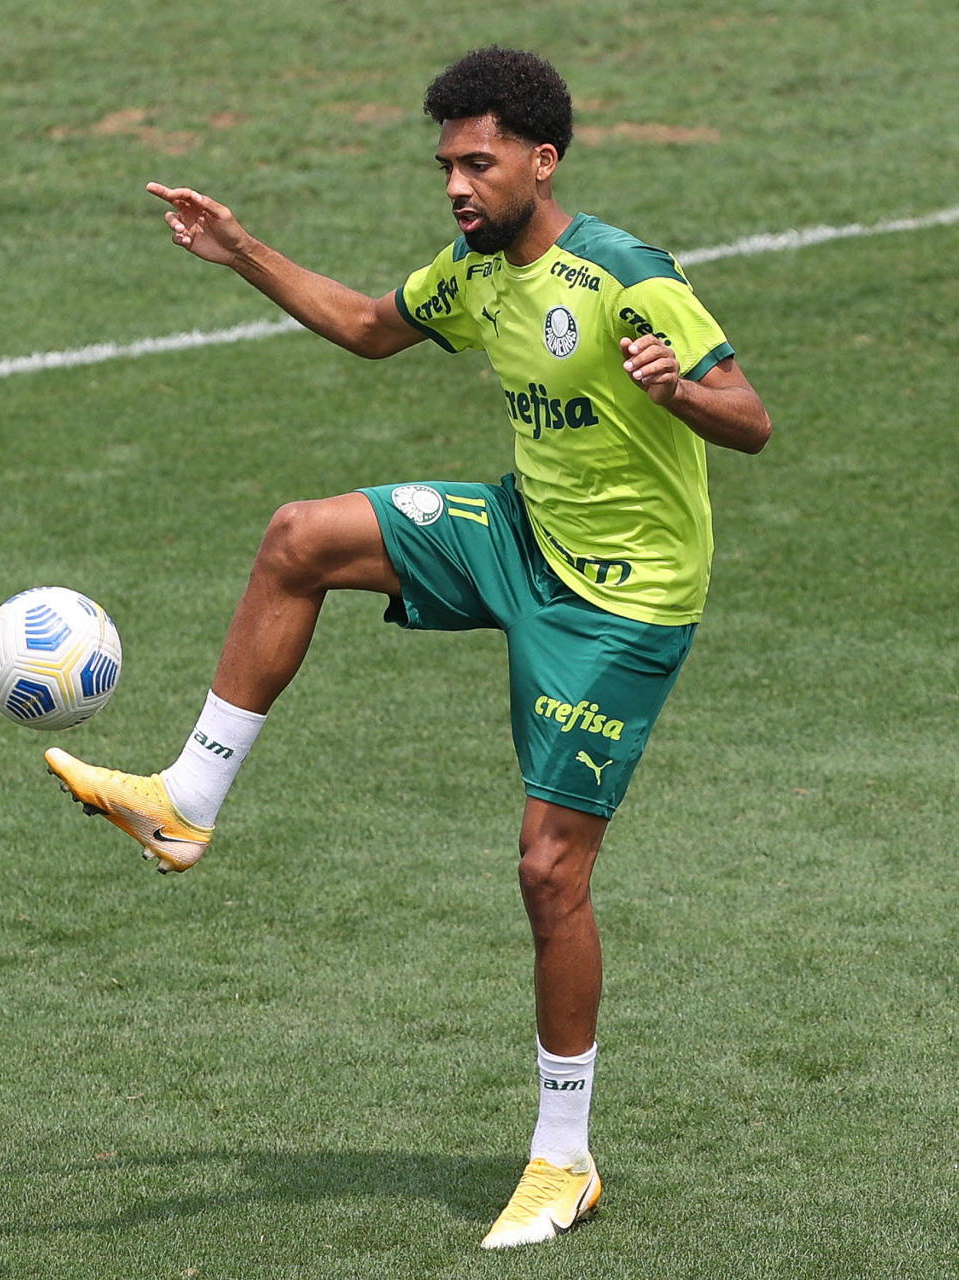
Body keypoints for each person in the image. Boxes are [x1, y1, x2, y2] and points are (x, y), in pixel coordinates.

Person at [45, 45, 771, 1249]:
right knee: (300, 537)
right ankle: (185, 802)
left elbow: (751, 417)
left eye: (477, 163)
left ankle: (563, 1158)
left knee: (550, 870)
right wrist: (241, 248)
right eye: (446, 165)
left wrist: (679, 391)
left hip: (624, 601)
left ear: (543, 160)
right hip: (523, 533)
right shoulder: (476, 271)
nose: (456, 185)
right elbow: (371, 327)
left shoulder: (626, 275)